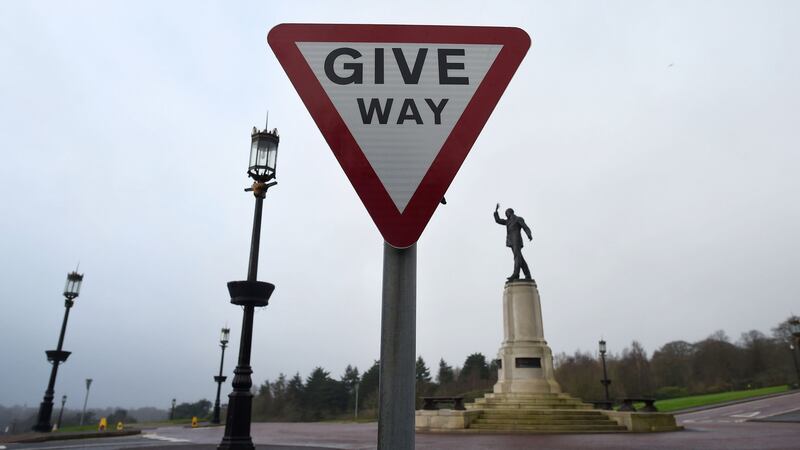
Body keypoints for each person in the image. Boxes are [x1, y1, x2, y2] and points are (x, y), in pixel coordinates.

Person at [494, 203, 533, 281]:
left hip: (517, 240)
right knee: (519, 257)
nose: (506, 215)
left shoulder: (518, 219)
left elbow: (525, 227)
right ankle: (527, 274)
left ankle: (516, 274)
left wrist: (529, 234)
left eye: (506, 213)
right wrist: (496, 211)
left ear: (510, 212)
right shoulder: (507, 221)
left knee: (517, 257)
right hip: (511, 241)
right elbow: (498, 220)